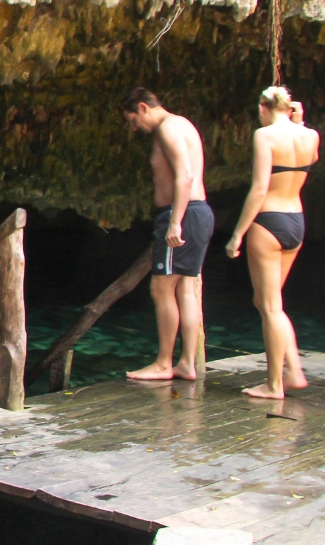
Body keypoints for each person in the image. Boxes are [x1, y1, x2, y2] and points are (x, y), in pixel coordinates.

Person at [225, 86, 319, 399]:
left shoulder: (264, 136)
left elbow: (260, 188)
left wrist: (238, 233)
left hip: (269, 222)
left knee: (269, 306)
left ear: (265, 107)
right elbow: (313, 158)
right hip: (296, 222)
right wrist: (301, 123)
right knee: (269, 303)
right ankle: (293, 370)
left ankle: (275, 384)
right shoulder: (310, 136)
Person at [121, 88, 215, 381]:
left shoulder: (168, 128)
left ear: (143, 107)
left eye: (133, 121)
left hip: (182, 213)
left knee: (161, 289)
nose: (135, 128)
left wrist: (175, 222)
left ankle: (164, 363)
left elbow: (184, 175)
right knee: (184, 289)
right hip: (197, 212)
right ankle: (186, 363)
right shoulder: (183, 124)